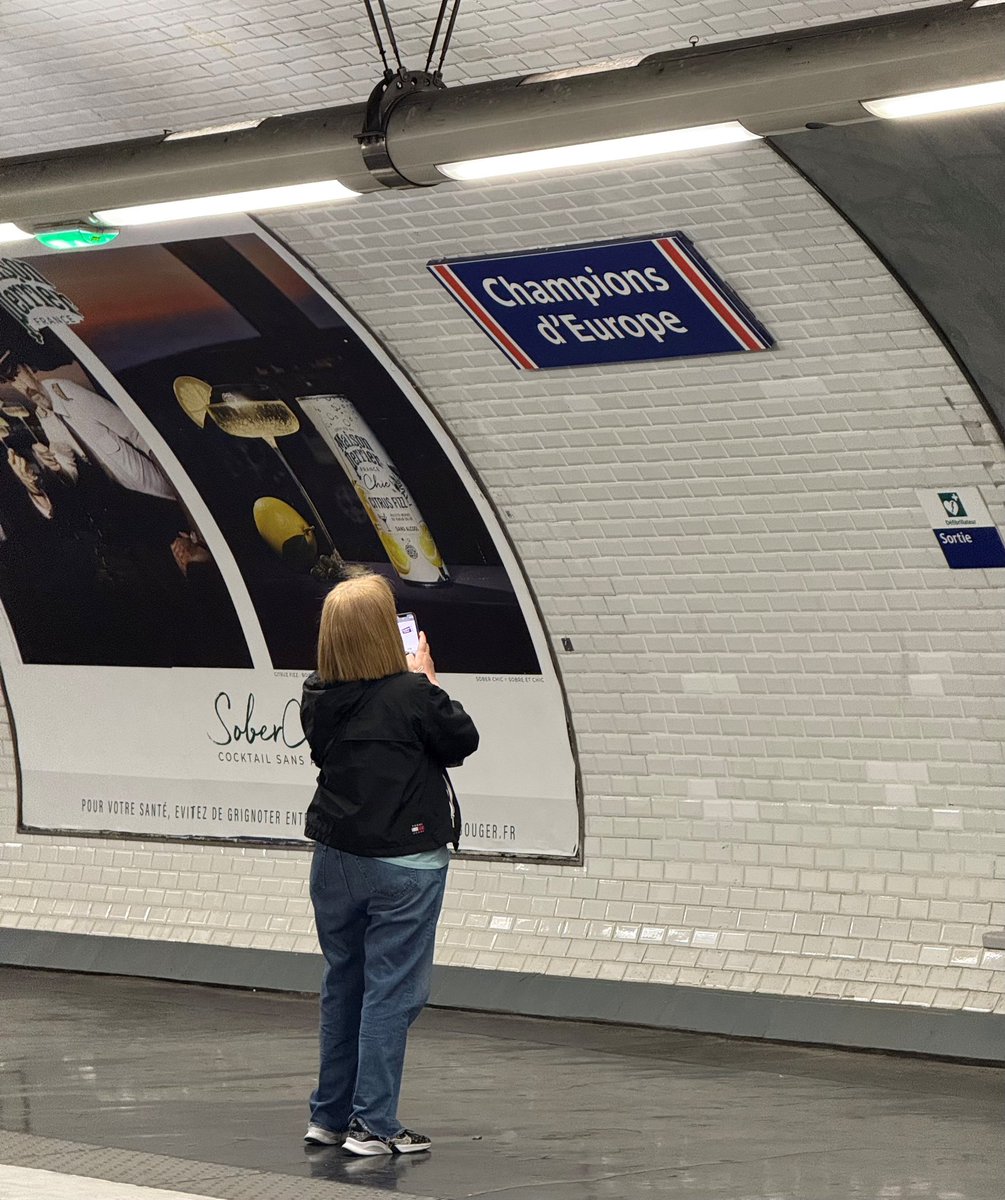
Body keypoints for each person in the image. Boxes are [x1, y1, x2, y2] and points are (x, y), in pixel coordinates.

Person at [299, 573, 478, 1157]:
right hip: (405, 863)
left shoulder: (317, 694)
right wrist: (426, 678)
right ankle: (374, 1125)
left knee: (344, 983)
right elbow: (462, 739)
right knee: (392, 992)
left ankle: (328, 1116)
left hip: (334, 859)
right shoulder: (410, 694)